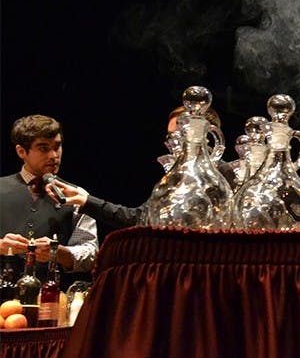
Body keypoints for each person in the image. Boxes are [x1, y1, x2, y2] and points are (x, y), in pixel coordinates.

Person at [48, 106, 236, 229]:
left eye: (179, 134)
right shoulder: (174, 175)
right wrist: (85, 200)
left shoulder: (224, 173)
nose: (173, 143)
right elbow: (139, 218)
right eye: (170, 137)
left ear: (207, 134)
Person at [0, 114, 98, 285]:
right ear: (21, 151)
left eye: (57, 147)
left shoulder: (77, 195)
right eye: (43, 148)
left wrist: (60, 253)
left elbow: (90, 253)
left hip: (51, 298)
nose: (54, 155)